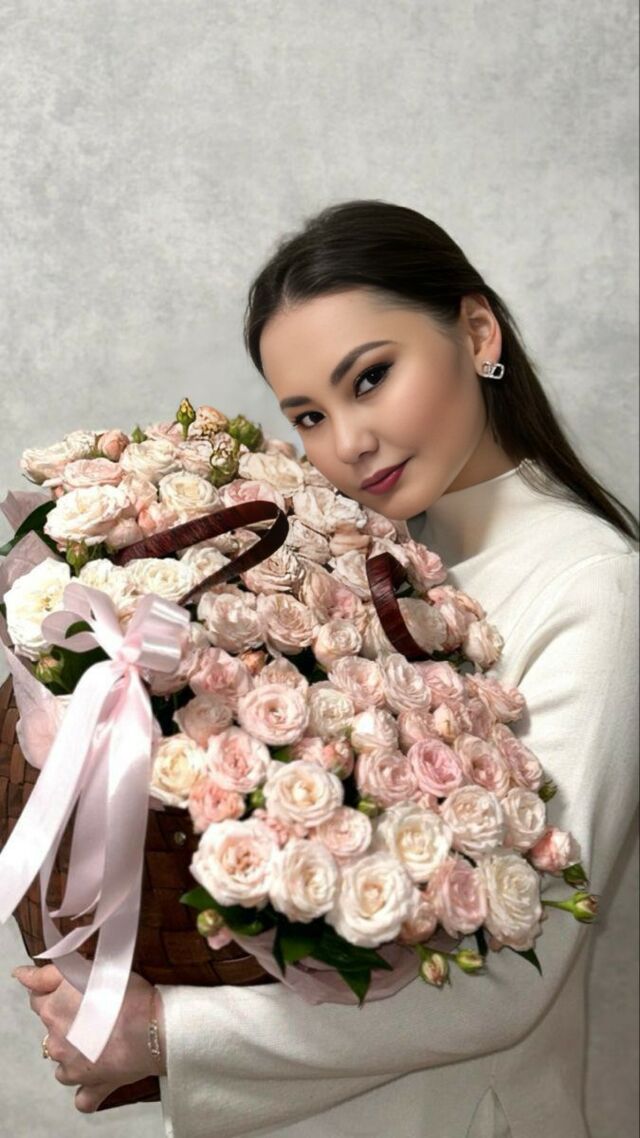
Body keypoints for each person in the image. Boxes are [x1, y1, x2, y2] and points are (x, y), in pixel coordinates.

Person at [14, 199, 639, 1136]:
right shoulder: (354, 561)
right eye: (310, 414)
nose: (348, 442)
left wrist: (162, 1032)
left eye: (371, 378)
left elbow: (517, 971)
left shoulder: (595, 585)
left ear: (477, 333)